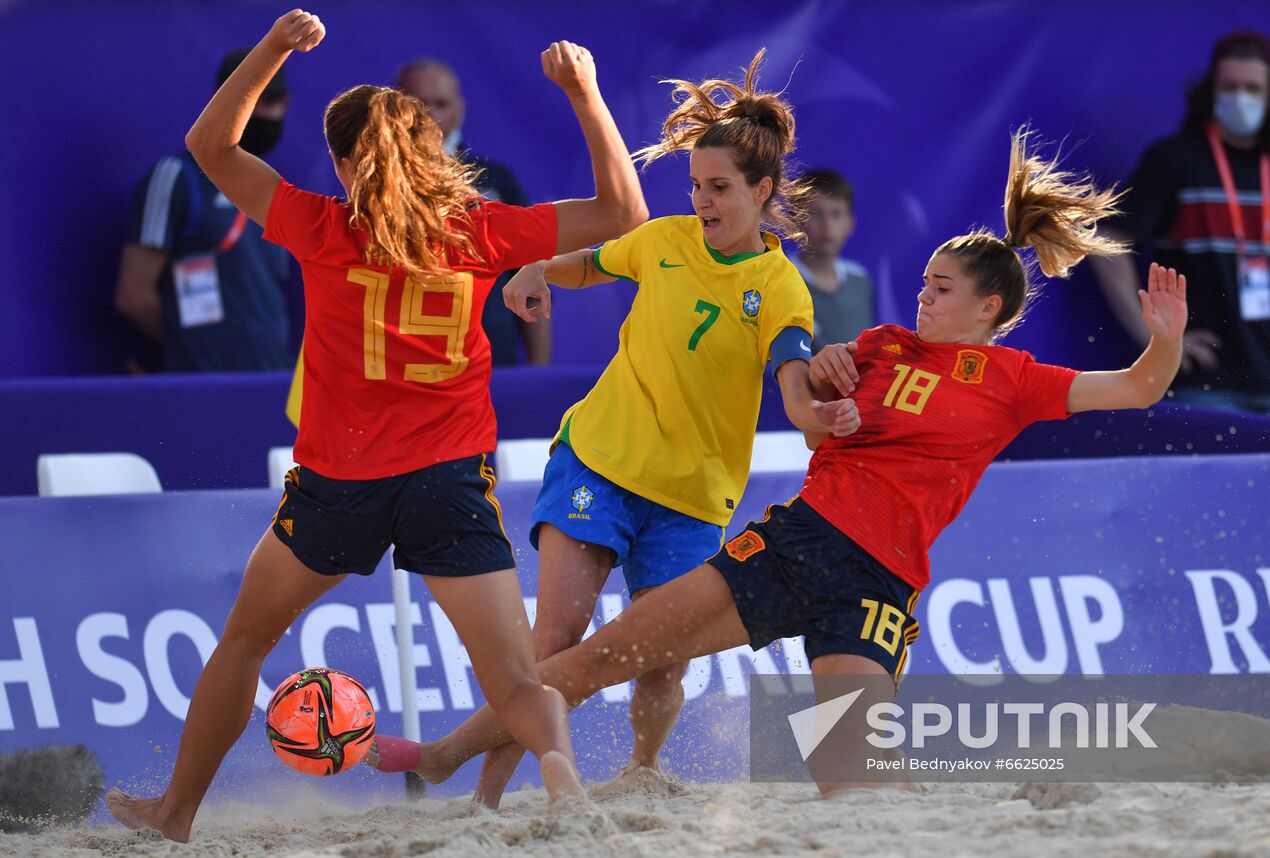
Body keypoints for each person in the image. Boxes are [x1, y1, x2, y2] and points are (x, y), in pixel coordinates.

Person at [367, 128, 1188, 795]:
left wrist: (1166, 339)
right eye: (926, 283)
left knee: (845, 778)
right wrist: (828, 395)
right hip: (796, 544)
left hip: (877, 584)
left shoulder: (1013, 381)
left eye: (940, 288)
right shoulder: (876, 346)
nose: (923, 297)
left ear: (991, 307)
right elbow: (811, 421)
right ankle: (445, 756)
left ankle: (980, 800)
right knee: (597, 656)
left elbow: (1138, 388)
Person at [105, 10, 647, 842]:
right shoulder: (476, 231)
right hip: (449, 482)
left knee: (245, 642)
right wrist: (585, 91)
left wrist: (276, 49)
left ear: (345, 161)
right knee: (510, 681)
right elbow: (622, 212)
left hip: (338, 484)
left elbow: (210, 146)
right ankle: (563, 779)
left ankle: (174, 814)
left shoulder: (322, 227)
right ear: (431, 154)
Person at [369, 49, 858, 807]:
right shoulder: (662, 241)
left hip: (693, 497)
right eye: (696, 184)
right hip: (599, 459)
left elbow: (793, 385)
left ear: (763, 192)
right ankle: (484, 799)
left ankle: (640, 772)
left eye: (720, 188)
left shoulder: (780, 287)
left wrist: (812, 419)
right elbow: (593, 260)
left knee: (661, 664)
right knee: (554, 643)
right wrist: (535, 272)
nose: (702, 200)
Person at [1091, 30, 1270, 418]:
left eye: (1252, 88)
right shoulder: (1174, 159)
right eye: (1229, 87)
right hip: (1199, 381)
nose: (1241, 98)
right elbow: (1107, 241)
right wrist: (1152, 336)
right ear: (1209, 93)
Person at [115, 49, 297, 372]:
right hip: (202, 388)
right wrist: (193, 355)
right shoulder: (175, 176)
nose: (261, 113)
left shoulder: (277, 187)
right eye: (251, 100)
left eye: (270, 101)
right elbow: (134, 295)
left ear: (286, 103)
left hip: (273, 383)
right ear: (223, 101)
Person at [396, 57, 551, 366]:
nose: (431, 115)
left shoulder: (496, 182)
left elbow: (532, 279)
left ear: (460, 109)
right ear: (393, 108)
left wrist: (539, 376)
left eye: (441, 103)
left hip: (491, 362)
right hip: (403, 366)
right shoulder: (372, 181)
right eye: (419, 104)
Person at [793, 169, 874, 350]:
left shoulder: (861, 281)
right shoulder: (778, 278)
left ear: (850, 223)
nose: (827, 225)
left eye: (836, 214)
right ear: (796, 220)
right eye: (815, 214)